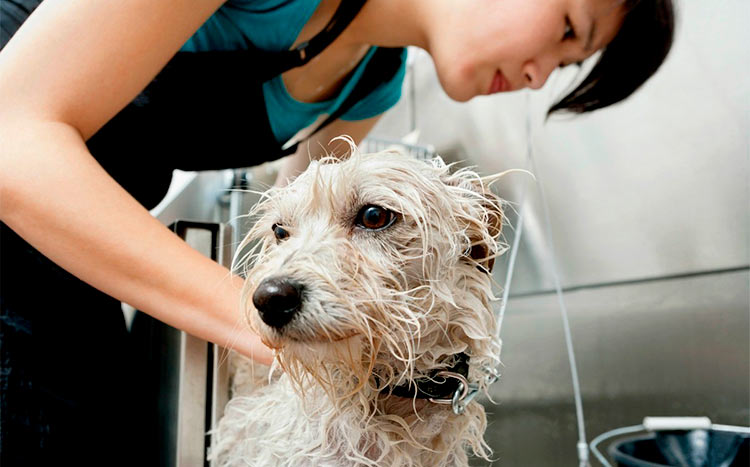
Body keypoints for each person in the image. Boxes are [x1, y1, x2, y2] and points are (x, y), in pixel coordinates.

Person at [0, 0, 674, 464]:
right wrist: (255, 317)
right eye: (565, 27)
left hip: (59, 255)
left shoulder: (372, 82)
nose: (538, 75)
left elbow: (303, 226)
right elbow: (10, 137)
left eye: (564, 67)